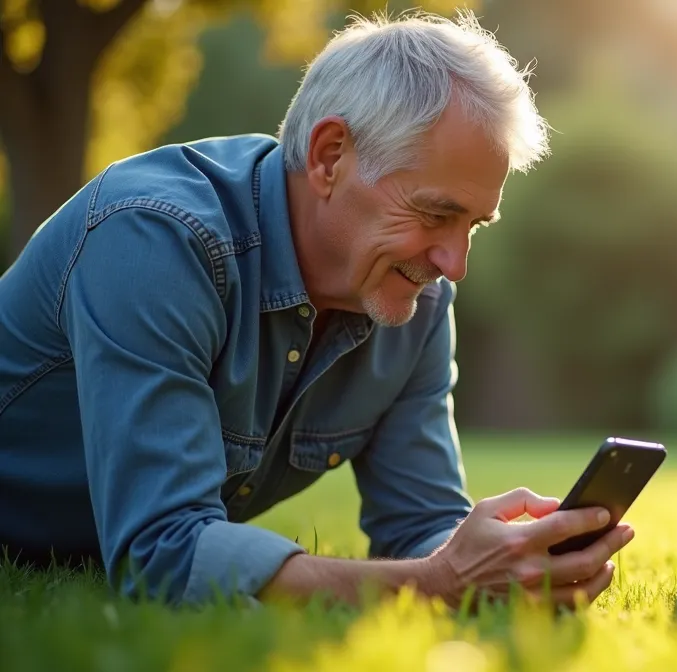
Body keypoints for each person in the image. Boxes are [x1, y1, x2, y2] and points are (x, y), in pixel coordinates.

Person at [0, 10, 633, 609]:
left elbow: (422, 525)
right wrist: (438, 583)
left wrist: (504, 566)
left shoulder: (414, 300)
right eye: (436, 213)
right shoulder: (156, 240)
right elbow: (163, 555)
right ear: (330, 157)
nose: (454, 262)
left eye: (473, 225)